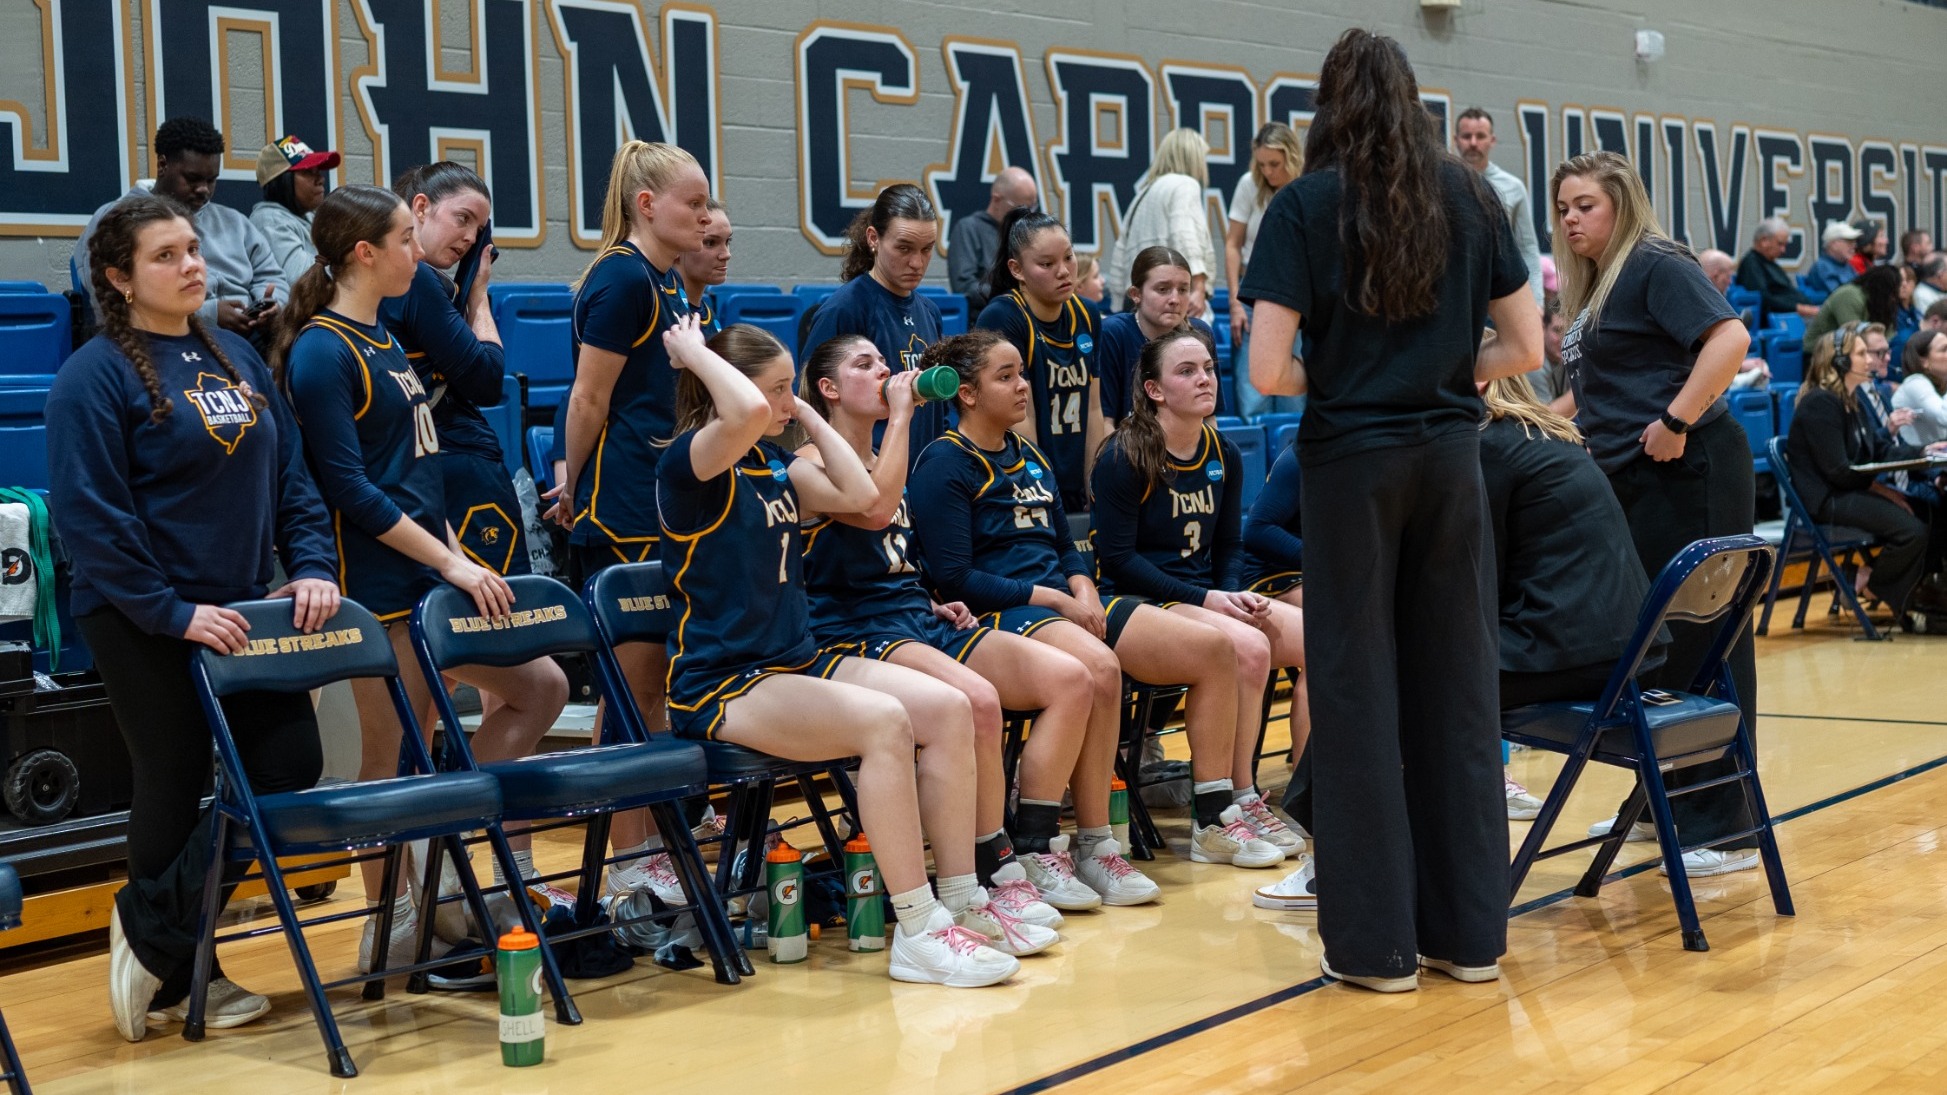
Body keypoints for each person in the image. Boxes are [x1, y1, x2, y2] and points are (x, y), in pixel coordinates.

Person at [1239, 28, 1541, 992]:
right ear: (1414, 103)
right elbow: (1526, 347)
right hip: (1452, 459)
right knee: (1457, 688)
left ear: (1327, 107)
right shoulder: (1469, 191)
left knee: (1359, 691)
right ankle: (1471, 940)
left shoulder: (1303, 205)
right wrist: (1443, 372)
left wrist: (1347, 378)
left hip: (1351, 468)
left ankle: (1376, 949)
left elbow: (1266, 368)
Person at [47, 195, 338, 1042]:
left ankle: (147, 927)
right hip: (143, 614)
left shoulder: (235, 351)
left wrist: (312, 565)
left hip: (246, 610)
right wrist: (172, 611)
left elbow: (291, 482)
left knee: (285, 763)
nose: (191, 264)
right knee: (172, 778)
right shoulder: (91, 376)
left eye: (191, 249)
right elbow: (91, 519)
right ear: (118, 276)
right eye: (166, 254)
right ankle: (182, 973)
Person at [657, 317, 1019, 987]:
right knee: (884, 723)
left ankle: (960, 897)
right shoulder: (690, 466)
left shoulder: (776, 465)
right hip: (724, 681)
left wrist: (803, 415)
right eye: (774, 391)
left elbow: (865, 499)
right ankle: (918, 929)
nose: (783, 404)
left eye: (790, 390)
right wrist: (694, 356)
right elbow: (736, 411)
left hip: (791, 661)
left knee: (943, 708)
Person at [277, 185, 562, 971]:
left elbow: (417, 473)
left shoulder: (386, 342)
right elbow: (350, 488)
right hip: (378, 589)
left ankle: (448, 876)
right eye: (408, 238)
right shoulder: (321, 350)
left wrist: (453, 561)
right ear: (365, 252)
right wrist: (448, 560)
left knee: (540, 686)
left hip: (429, 576)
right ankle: (391, 923)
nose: (423, 252)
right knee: (395, 752)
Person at [910, 330, 1288, 890]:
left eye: (1022, 373)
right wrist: (1057, 597)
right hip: (1001, 611)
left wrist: (1083, 589)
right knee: (1097, 672)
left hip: (1064, 602)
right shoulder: (945, 462)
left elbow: (1066, 546)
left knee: (1217, 647)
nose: (1023, 387)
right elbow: (954, 576)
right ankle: (1049, 845)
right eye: (1006, 376)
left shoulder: (1030, 456)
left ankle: (1182, 826)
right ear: (967, 393)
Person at [797, 333, 1149, 912]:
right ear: (829, 390)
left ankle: (1030, 858)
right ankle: (994, 868)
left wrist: (929, 594)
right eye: (867, 365)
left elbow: (895, 550)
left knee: (1069, 680)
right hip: (855, 632)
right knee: (979, 702)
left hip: (912, 617)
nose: (887, 372)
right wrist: (908, 413)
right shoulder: (828, 463)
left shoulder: (885, 454)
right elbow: (875, 512)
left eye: (885, 362)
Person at [1549, 150, 1760, 878]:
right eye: (1564, 208)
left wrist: (1675, 417)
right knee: (1658, 642)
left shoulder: (1652, 261)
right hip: (1637, 477)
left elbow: (1729, 339)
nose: (1571, 218)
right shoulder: (1599, 284)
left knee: (1704, 638)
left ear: (1621, 205)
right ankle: (1665, 800)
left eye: (1585, 205)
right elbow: (1595, 390)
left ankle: (1723, 823)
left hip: (1689, 465)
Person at [380, 162, 573, 926]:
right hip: (454, 475)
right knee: (498, 679)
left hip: (458, 470)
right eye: (461, 220)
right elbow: (489, 376)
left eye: (478, 230)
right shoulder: (423, 283)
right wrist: (481, 296)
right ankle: (490, 869)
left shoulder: (417, 286)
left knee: (494, 685)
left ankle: (488, 871)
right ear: (418, 209)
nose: (468, 240)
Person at [545, 141, 712, 906]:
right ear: (647, 205)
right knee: (631, 688)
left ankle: (652, 840)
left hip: (667, 504)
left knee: (655, 690)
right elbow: (587, 398)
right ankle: (627, 857)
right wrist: (567, 484)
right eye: (693, 203)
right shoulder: (620, 279)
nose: (706, 216)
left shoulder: (668, 283)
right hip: (623, 512)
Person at [1089, 328, 1309, 873]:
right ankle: (1218, 812)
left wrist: (1231, 592)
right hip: (1135, 600)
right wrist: (1209, 598)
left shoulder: (1224, 452)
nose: (1204, 378)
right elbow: (1118, 560)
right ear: (1155, 390)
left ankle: (1264, 797)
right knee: (1247, 649)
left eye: (1208, 368)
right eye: (1186, 371)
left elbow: (1231, 543)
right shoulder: (1123, 455)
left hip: (1202, 595)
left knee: (1322, 639)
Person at [1787, 323, 1947, 632]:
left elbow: (1880, 451)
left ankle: (1908, 593)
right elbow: (1838, 472)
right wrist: (1882, 491)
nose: (1870, 361)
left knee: (1930, 512)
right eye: (1861, 354)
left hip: (1847, 490)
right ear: (1840, 361)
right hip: (1827, 500)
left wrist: (1927, 449)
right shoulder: (1820, 402)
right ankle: (1879, 587)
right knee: (1912, 529)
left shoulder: (1851, 400)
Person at [76, 117, 288, 344]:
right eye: (193, 179)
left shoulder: (236, 222)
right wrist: (209, 315)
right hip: (159, 342)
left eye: (211, 180)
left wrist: (271, 304)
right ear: (162, 165)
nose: (204, 190)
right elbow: (111, 301)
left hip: (249, 341)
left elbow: (272, 276)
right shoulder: (116, 220)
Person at [802, 184, 949, 459]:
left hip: (923, 472)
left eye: (927, 249)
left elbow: (936, 409)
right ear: (874, 238)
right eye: (904, 248)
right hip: (868, 475)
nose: (917, 262)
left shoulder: (930, 311)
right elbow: (813, 406)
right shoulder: (844, 309)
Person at [974, 209, 1100, 512]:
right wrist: (1044, 490)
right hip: (1019, 483)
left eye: (1068, 257)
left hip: (1071, 477)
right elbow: (1021, 417)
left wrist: (1094, 484)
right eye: (1047, 264)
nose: (1064, 271)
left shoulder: (1087, 314)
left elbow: (1094, 408)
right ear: (1017, 269)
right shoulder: (1003, 316)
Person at [1225, 123, 1306, 419]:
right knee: (1253, 391)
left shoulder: (1305, 187)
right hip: (1253, 291)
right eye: (1262, 164)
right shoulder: (1250, 184)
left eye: (1275, 164)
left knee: (1294, 397)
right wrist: (1234, 300)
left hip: (1297, 292)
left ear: (1292, 157)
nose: (1268, 172)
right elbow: (1232, 245)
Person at [1097, 246, 1217, 430]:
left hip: (1188, 453)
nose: (1175, 299)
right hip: (1129, 453)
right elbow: (1105, 421)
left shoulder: (1200, 334)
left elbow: (1208, 419)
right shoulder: (1113, 333)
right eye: (1163, 289)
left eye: (1183, 289)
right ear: (1136, 294)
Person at [1109, 128, 1218, 317]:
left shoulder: (1143, 193)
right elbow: (1185, 236)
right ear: (1192, 157)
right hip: (1171, 301)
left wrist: (1118, 304)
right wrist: (1198, 287)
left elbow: (1120, 252)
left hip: (1136, 302)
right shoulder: (1185, 185)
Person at [1455, 107, 1545, 309]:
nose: (1473, 143)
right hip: (1456, 298)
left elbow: (1528, 247)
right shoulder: (1442, 182)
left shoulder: (1513, 187)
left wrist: (1537, 302)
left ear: (1492, 140)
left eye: (1480, 136)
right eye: (1466, 136)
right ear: (1455, 139)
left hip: (1500, 298)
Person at [948, 167, 1038, 315]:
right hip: (984, 320)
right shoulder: (969, 229)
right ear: (997, 199)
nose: (1028, 215)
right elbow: (964, 286)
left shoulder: (1026, 233)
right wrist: (1014, 295)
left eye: (1032, 207)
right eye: (1021, 208)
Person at [250, 135, 340, 284]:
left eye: (318, 171)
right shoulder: (270, 220)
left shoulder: (308, 215)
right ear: (282, 181)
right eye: (308, 172)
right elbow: (304, 281)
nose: (321, 179)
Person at [1805, 264, 1911, 352]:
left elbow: (1889, 335)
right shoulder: (1849, 295)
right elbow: (1854, 337)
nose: (1894, 298)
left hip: (1851, 351)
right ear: (1884, 289)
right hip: (1819, 353)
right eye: (1893, 292)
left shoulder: (1881, 302)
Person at [1736, 217, 1820, 320]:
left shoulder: (1771, 263)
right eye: (1780, 244)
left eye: (1785, 245)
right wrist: (1799, 308)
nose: (1783, 250)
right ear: (1764, 241)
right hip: (1779, 321)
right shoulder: (1751, 264)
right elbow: (1764, 299)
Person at [677, 198, 733, 335]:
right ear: (677, 246)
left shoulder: (708, 315)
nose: (726, 254)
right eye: (710, 243)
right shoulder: (661, 309)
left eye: (727, 242)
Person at [1896, 329, 1947, 447]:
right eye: (1944, 349)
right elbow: (1944, 418)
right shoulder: (1915, 382)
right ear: (1923, 361)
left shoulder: (1940, 385)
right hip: (1914, 462)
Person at [1806, 220, 1861, 300]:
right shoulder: (1822, 267)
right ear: (1834, 244)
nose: (1854, 246)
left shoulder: (1847, 267)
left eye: (1854, 242)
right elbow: (1840, 297)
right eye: (1849, 241)